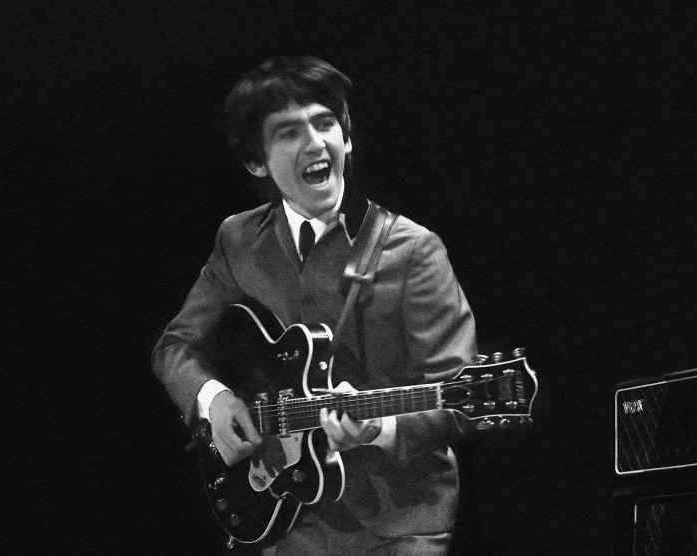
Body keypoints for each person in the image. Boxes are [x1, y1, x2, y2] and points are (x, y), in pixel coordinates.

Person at [152, 56, 477, 555]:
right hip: (279, 515)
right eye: (287, 132)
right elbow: (176, 347)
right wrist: (215, 401)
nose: (314, 142)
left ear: (347, 138)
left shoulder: (414, 251)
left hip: (397, 526)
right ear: (256, 162)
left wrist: (380, 428)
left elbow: (459, 396)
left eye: (325, 123)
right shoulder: (238, 240)